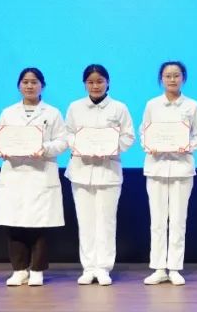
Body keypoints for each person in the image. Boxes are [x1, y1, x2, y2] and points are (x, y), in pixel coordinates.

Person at [0, 68, 69, 287]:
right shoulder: (8, 112)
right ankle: (19, 270)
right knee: (14, 223)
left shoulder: (52, 113)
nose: (29, 86)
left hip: (40, 173)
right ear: (19, 85)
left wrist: (44, 148)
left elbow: (63, 141)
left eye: (34, 82)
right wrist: (0, 150)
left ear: (42, 85)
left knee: (39, 225)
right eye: (25, 82)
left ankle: (37, 270)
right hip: (14, 174)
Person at [65, 64, 135, 286]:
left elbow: (128, 137)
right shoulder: (75, 107)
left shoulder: (119, 108)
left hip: (108, 171)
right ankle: (88, 268)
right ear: (85, 84)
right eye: (91, 82)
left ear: (108, 82)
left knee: (106, 221)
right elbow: (68, 134)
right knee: (85, 221)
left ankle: (103, 268)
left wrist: (110, 147)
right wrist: (79, 146)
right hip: (81, 171)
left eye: (99, 81)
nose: (95, 86)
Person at [142, 61, 197, 286]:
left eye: (176, 75)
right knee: (157, 221)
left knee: (178, 220)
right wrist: (149, 145)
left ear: (183, 78)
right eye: (168, 76)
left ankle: (175, 267)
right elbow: (144, 132)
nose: (172, 79)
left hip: (182, 168)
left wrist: (187, 146)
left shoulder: (192, 105)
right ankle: (159, 268)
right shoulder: (152, 105)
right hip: (156, 167)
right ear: (161, 79)